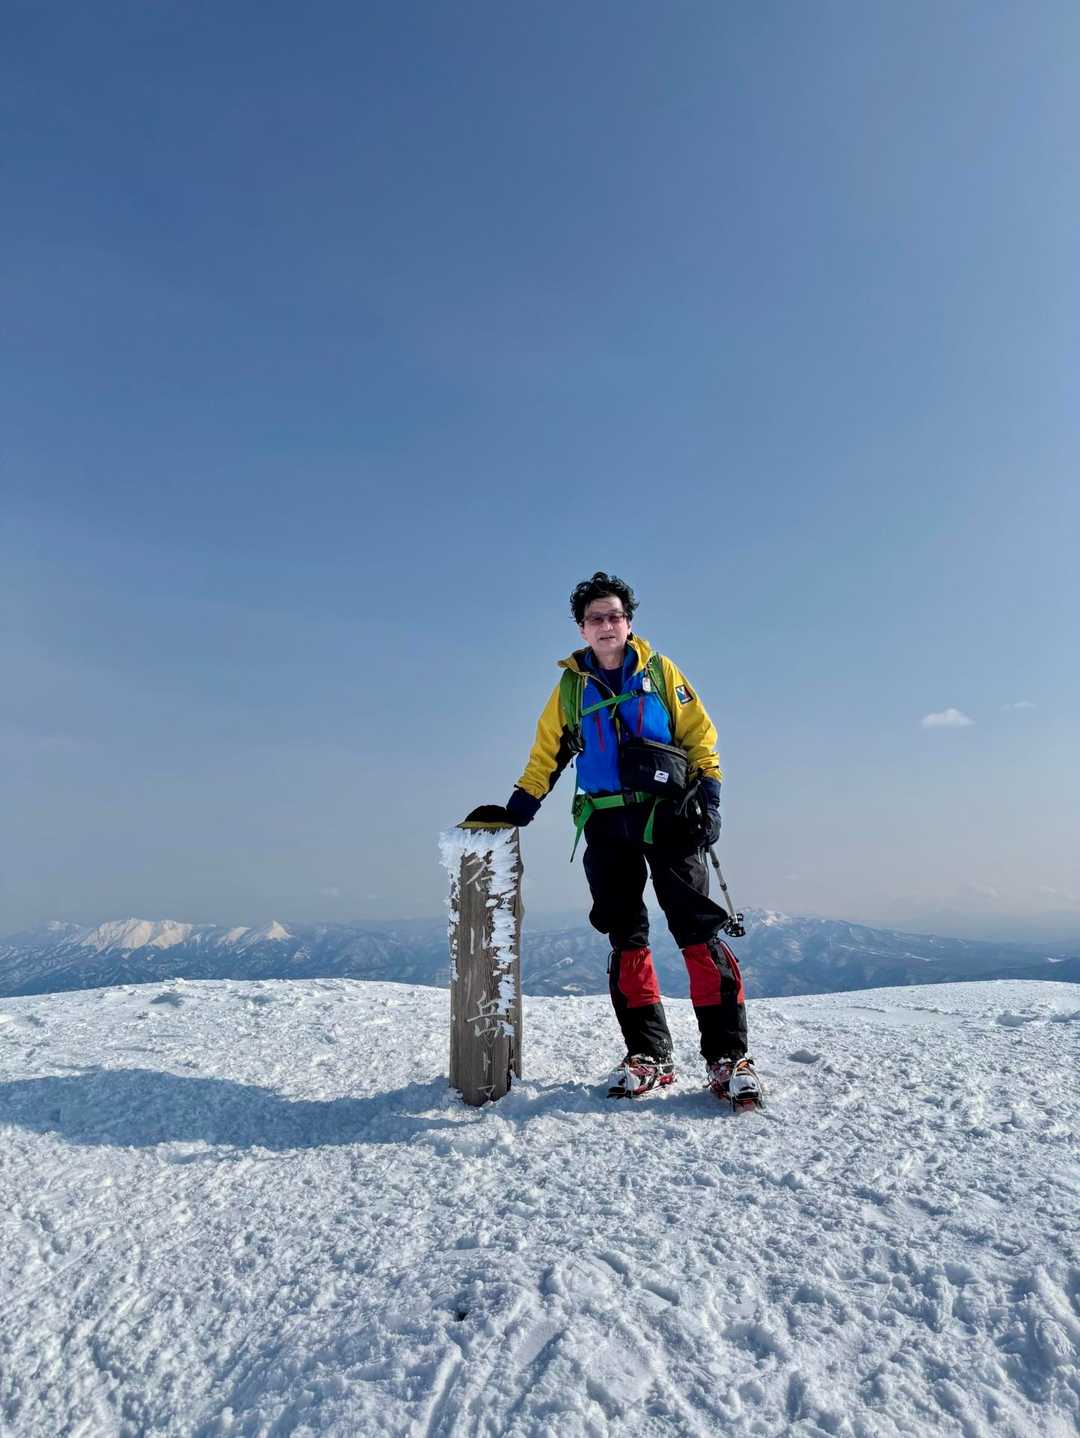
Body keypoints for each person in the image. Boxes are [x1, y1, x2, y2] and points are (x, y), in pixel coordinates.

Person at [505, 571, 762, 1104]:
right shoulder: (571, 688)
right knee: (626, 937)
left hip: (669, 817)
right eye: (595, 618)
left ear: (629, 623)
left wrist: (710, 797)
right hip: (606, 822)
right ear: (582, 628)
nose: (606, 625)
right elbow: (548, 752)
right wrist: (518, 807)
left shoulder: (660, 672)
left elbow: (699, 736)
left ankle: (727, 1058)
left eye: (614, 616)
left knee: (696, 931)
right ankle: (649, 1054)